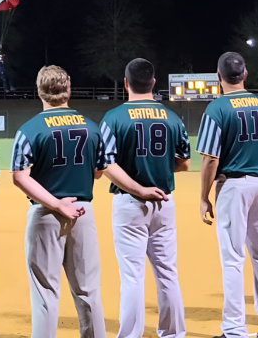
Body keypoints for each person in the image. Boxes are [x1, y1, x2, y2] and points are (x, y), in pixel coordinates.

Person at [11, 65, 168, 338]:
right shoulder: (92, 128)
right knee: (88, 290)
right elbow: (99, 170)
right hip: (83, 211)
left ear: (40, 90)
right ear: (68, 86)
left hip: (45, 213)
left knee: (45, 292)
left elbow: (19, 177)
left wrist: (57, 203)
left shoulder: (29, 130)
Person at [100, 58, 190, 338]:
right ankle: (174, 333)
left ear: (126, 83)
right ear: (153, 82)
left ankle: (130, 335)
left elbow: (105, 165)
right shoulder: (172, 117)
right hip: (164, 201)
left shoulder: (113, 118)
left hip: (130, 203)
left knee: (132, 276)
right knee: (167, 273)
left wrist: (138, 189)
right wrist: (160, 167)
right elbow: (184, 162)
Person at [198, 52, 258, 338]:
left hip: (233, 186)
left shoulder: (217, 109)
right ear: (245, 74)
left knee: (232, 258)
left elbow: (210, 160)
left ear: (219, 77)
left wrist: (204, 196)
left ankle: (234, 329)